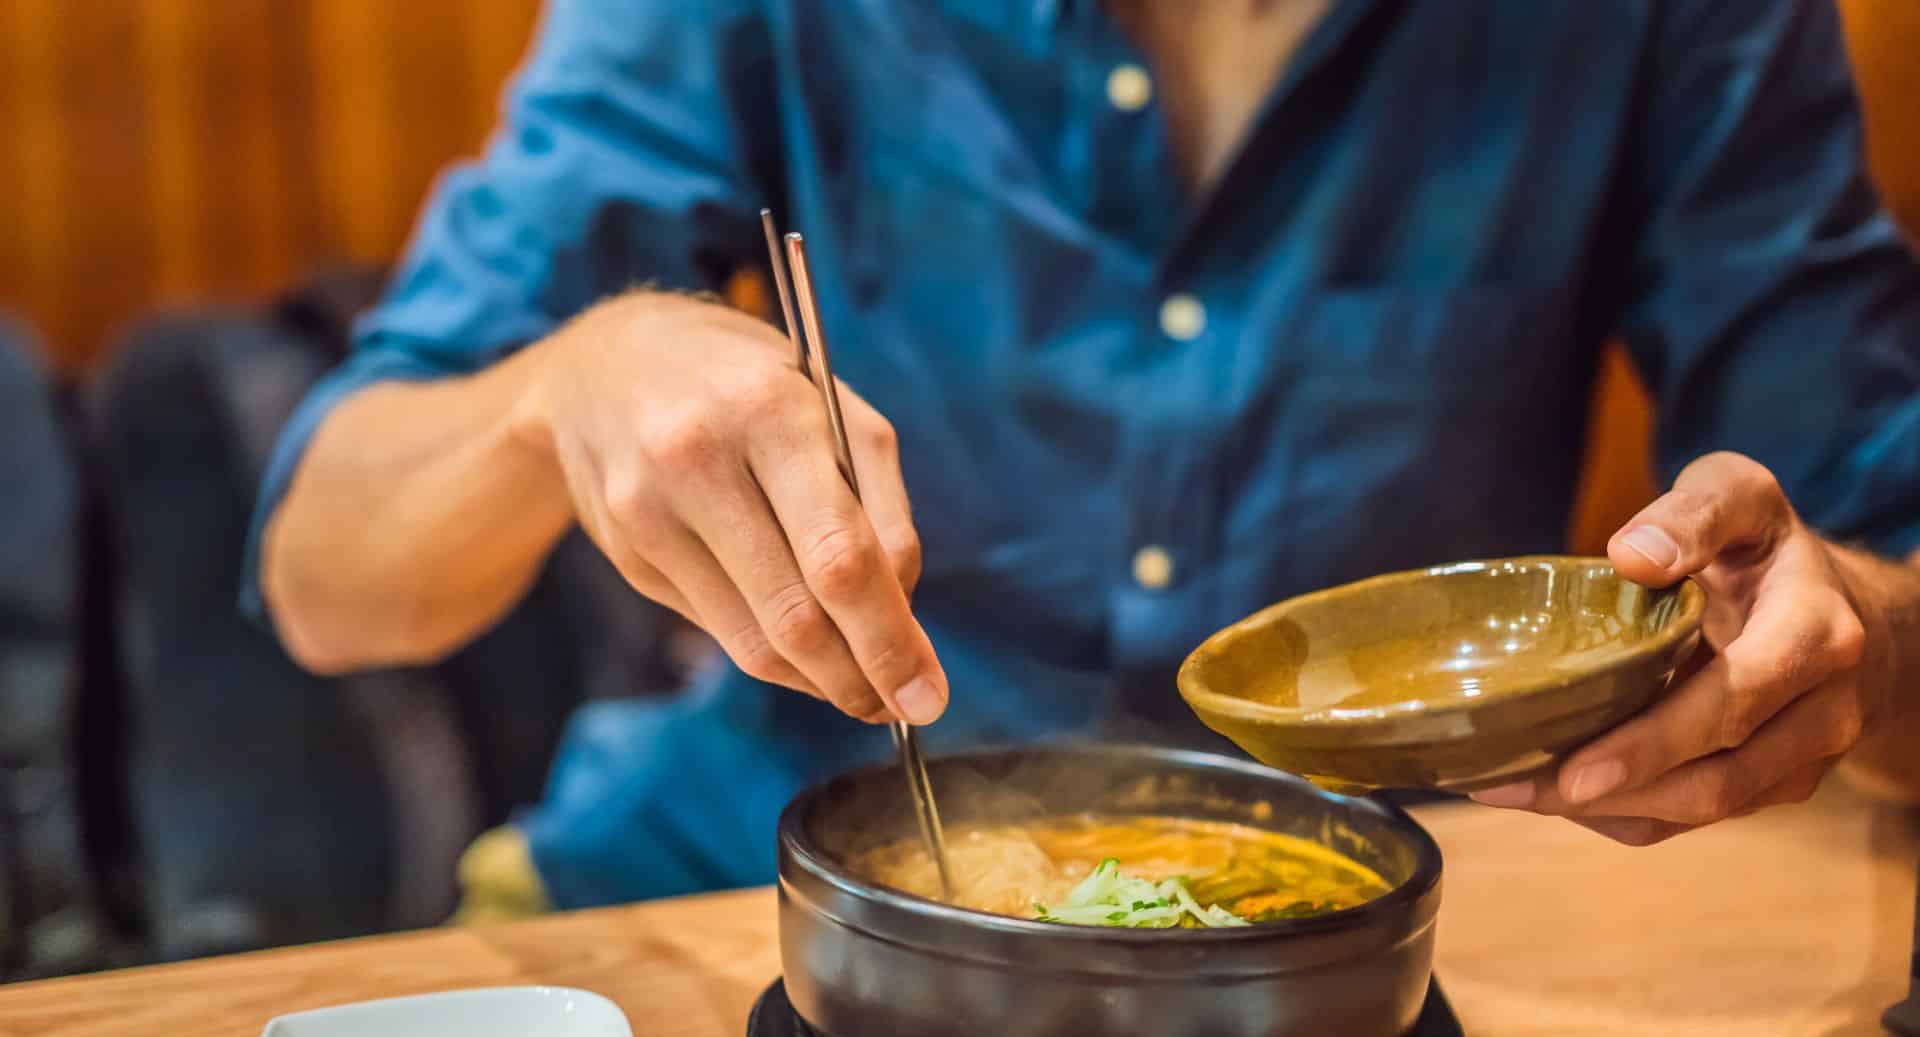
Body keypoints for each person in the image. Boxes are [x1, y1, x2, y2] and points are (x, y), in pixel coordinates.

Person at [251, 0, 1920, 908]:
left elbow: (1882, 583)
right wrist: (570, 380)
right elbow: (326, 576)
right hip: (732, 898)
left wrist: (1848, 634)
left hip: (1327, 957)